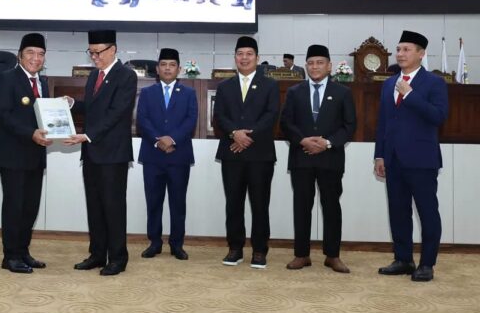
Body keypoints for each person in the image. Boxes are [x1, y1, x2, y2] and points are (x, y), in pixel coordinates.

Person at [375, 30, 448, 282]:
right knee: (398, 211)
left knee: (427, 212)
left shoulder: (434, 83)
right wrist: (379, 155)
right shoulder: (388, 83)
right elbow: (383, 123)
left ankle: (427, 264)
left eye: (406, 49)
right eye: (398, 49)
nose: (400, 54)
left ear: (421, 53)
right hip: (393, 159)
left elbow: (438, 116)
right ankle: (403, 259)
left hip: (422, 160)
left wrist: (409, 94)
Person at [64, 29, 137, 276]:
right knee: (94, 206)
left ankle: (117, 258)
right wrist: (73, 104)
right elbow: (93, 108)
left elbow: (117, 112)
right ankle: (97, 254)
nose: (94, 57)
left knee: (113, 207)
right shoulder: (94, 75)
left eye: (98, 52)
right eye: (91, 52)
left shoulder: (126, 75)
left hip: (113, 154)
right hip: (92, 153)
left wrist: (88, 136)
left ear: (113, 49)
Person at [281, 45, 356, 273]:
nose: (315, 67)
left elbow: (349, 126)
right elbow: (286, 123)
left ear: (329, 66)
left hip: (330, 158)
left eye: (320, 63)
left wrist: (328, 143)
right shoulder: (294, 92)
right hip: (301, 158)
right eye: (311, 63)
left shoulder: (342, 92)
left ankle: (332, 256)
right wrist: (303, 140)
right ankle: (301, 254)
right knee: (301, 206)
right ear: (306, 66)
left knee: (331, 207)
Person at [213, 36, 279, 269]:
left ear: (257, 58)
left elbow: (271, 115)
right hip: (231, 153)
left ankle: (260, 251)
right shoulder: (224, 86)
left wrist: (247, 137)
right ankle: (235, 248)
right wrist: (234, 134)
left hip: (260, 154)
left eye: (249, 54)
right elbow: (219, 116)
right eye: (240, 53)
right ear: (235, 57)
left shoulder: (270, 85)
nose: (244, 58)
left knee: (260, 204)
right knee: (233, 203)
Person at [0, 33, 51, 274]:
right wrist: (31, 133)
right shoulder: (7, 78)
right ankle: (10, 256)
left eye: (40, 54)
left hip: (36, 156)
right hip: (13, 155)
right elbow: (2, 115)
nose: (36, 58)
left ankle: (23, 251)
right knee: (14, 207)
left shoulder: (43, 82)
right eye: (30, 53)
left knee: (30, 207)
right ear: (19, 56)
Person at [137, 48, 197, 260]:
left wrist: (171, 139)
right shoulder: (147, 93)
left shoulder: (189, 93)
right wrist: (158, 140)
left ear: (179, 69)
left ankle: (176, 244)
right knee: (153, 202)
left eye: (172, 65)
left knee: (178, 203)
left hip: (179, 156)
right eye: (163, 64)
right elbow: (142, 120)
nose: (168, 68)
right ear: (157, 69)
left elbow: (191, 120)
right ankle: (154, 242)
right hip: (153, 156)